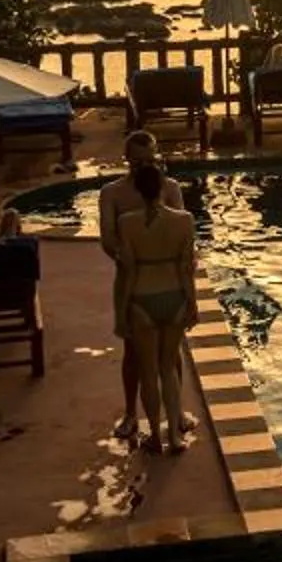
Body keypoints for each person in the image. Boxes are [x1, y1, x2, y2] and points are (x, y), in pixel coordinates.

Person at [98, 129, 186, 442]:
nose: (144, 167)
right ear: (127, 161)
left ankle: (176, 414)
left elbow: (184, 238)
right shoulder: (112, 193)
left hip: (162, 281)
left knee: (172, 352)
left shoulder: (171, 188)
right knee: (133, 353)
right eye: (137, 162)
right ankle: (130, 412)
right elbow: (107, 239)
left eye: (150, 160)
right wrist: (128, 258)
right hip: (130, 281)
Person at [109, 155, 200, 454]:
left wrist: (122, 312)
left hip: (142, 300)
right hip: (174, 296)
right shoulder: (184, 221)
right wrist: (193, 303)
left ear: (137, 190)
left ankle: (155, 438)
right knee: (168, 367)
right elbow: (187, 268)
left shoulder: (127, 223)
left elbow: (129, 271)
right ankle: (175, 435)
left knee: (148, 370)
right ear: (162, 186)